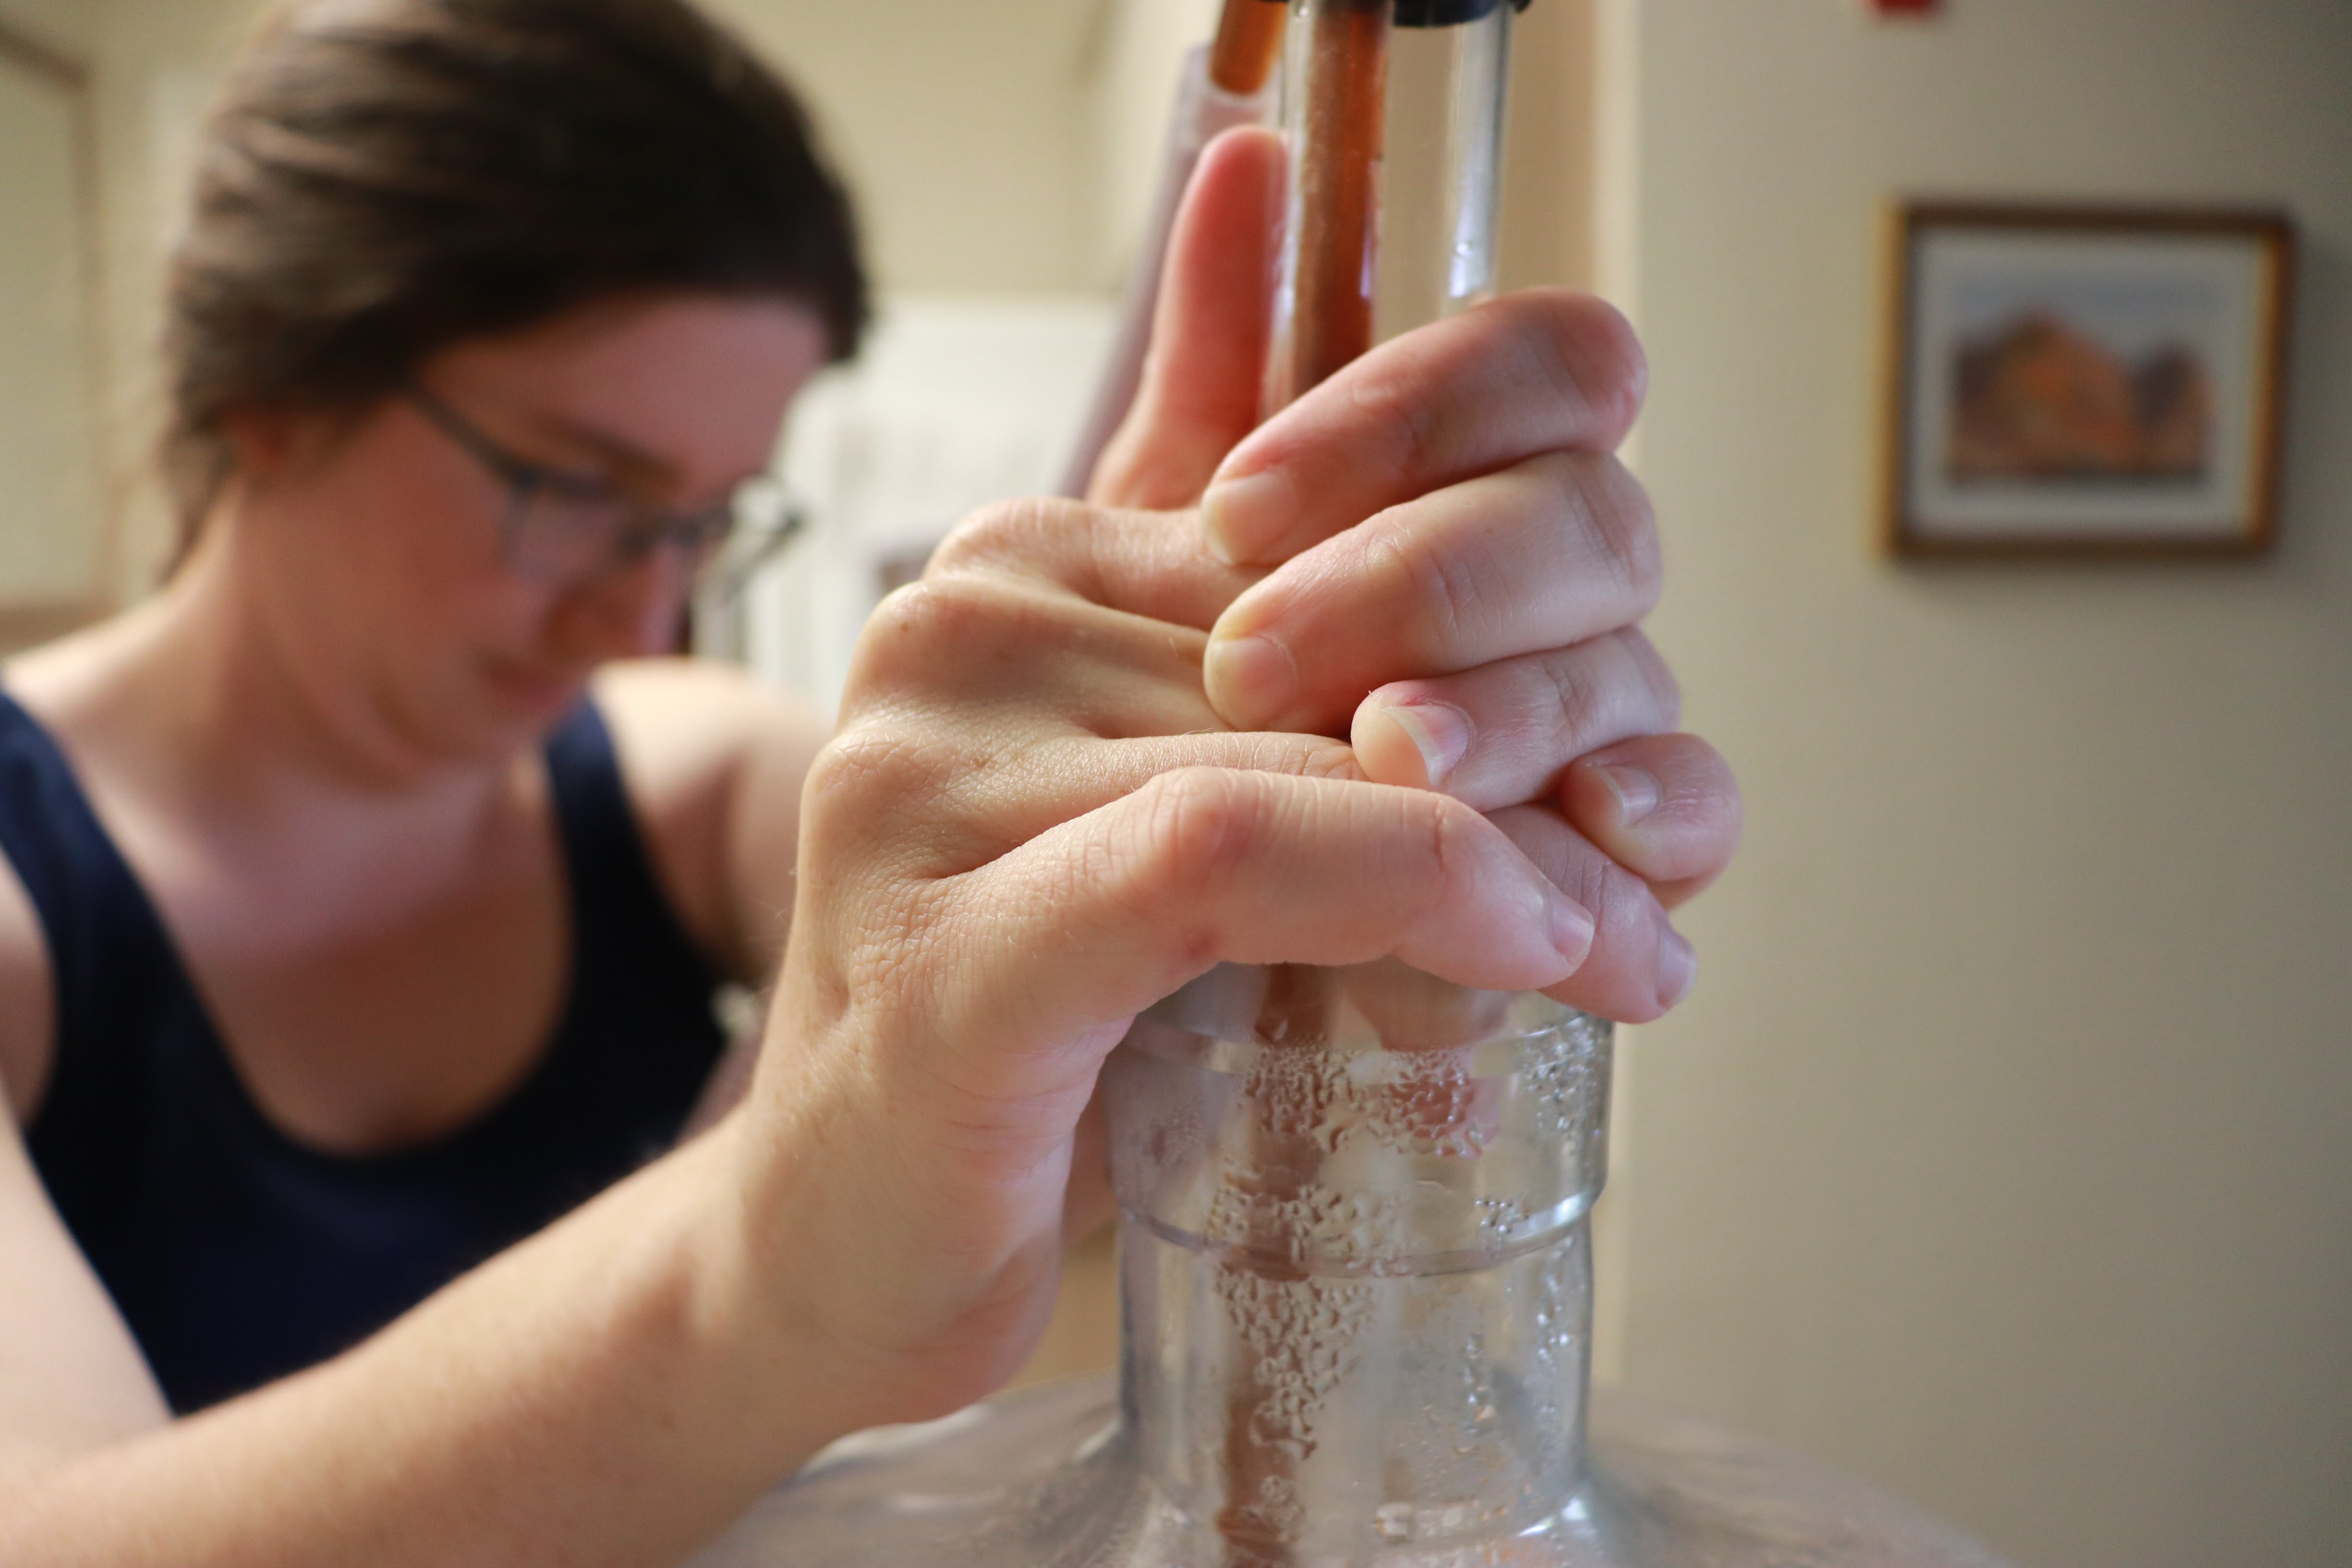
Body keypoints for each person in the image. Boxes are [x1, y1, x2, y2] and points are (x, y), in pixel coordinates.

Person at [0, 0, 1741, 1561]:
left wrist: (1260, 712)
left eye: (699, 516)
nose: (641, 601)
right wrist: (764, 1270)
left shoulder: (675, 776)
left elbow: (940, 872)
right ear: (273, 393)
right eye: (574, 485)